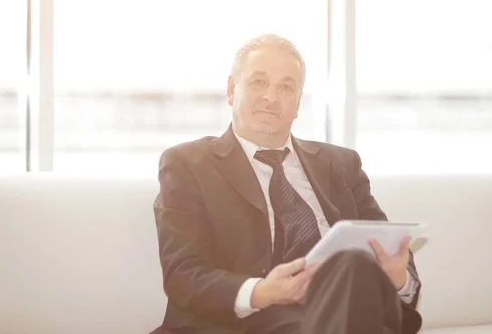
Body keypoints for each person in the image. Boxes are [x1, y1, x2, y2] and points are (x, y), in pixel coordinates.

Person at [152, 34, 422, 334]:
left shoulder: (342, 165)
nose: (271, 96)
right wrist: (263, 292)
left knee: (352, 265)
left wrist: (398, 279)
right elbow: (182, 273)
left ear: (297, 103)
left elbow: (387, 245)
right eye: (259, 82)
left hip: (345, 310)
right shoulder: (187, 163)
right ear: (232, 89)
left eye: (285, 87)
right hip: (247, 321)